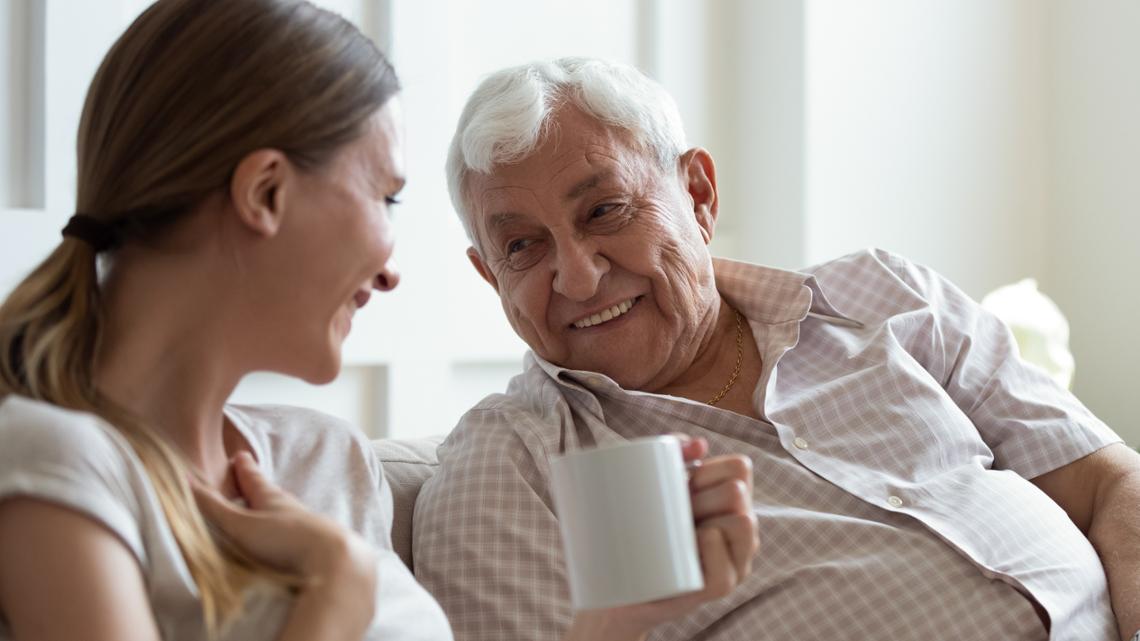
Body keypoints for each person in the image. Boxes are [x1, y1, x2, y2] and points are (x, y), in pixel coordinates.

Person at [0, 4, 756, 641]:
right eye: (385, 197)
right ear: (265, 193)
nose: (393, 270)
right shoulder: (57, 463)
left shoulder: (323, 460)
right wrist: (333, 596)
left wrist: (614, 623)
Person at [413, 56, 1140, 641]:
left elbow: (1109, 483)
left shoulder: (885, 297)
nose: (575, 273)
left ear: (698, 195)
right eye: (521, 245)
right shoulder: (513, 466)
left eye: (605, 210)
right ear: (489, 273)